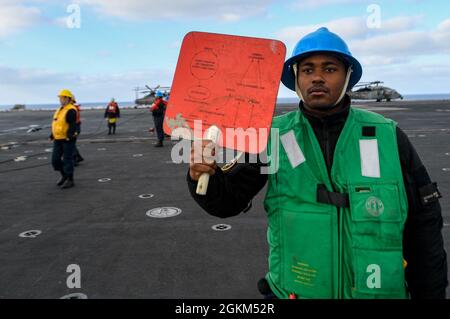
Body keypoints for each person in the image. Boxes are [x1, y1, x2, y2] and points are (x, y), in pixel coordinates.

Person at [186, 27, 448, 299]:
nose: (318, 78)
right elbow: (227, 201)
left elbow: (425, 225)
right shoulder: (272, 137)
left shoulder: (388, 135)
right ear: (296, 79)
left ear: (347, 77)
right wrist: (201, 175)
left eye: (330, 69)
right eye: (308, 70)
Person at [50, 89, 78, 189]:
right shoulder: (60, 109)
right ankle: (64, 175)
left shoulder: (71, 110)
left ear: (67, 98)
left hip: (67, 139)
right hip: (58, 138)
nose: (60, 99)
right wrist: (52, 134)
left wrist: (69, 136)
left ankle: (70, 180)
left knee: (67, 159)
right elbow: (56, 123)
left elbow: (73, 125)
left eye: (62, 98)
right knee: (55, 160)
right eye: (60, 98)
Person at [72, 99, 84, 165]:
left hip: (75, 128)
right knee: (72, 144)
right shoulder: (74, 108)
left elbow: (74, 121)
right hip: (76, 128)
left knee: (71, 144)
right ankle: (78, 157)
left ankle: (75, 159)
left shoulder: (73, 109)